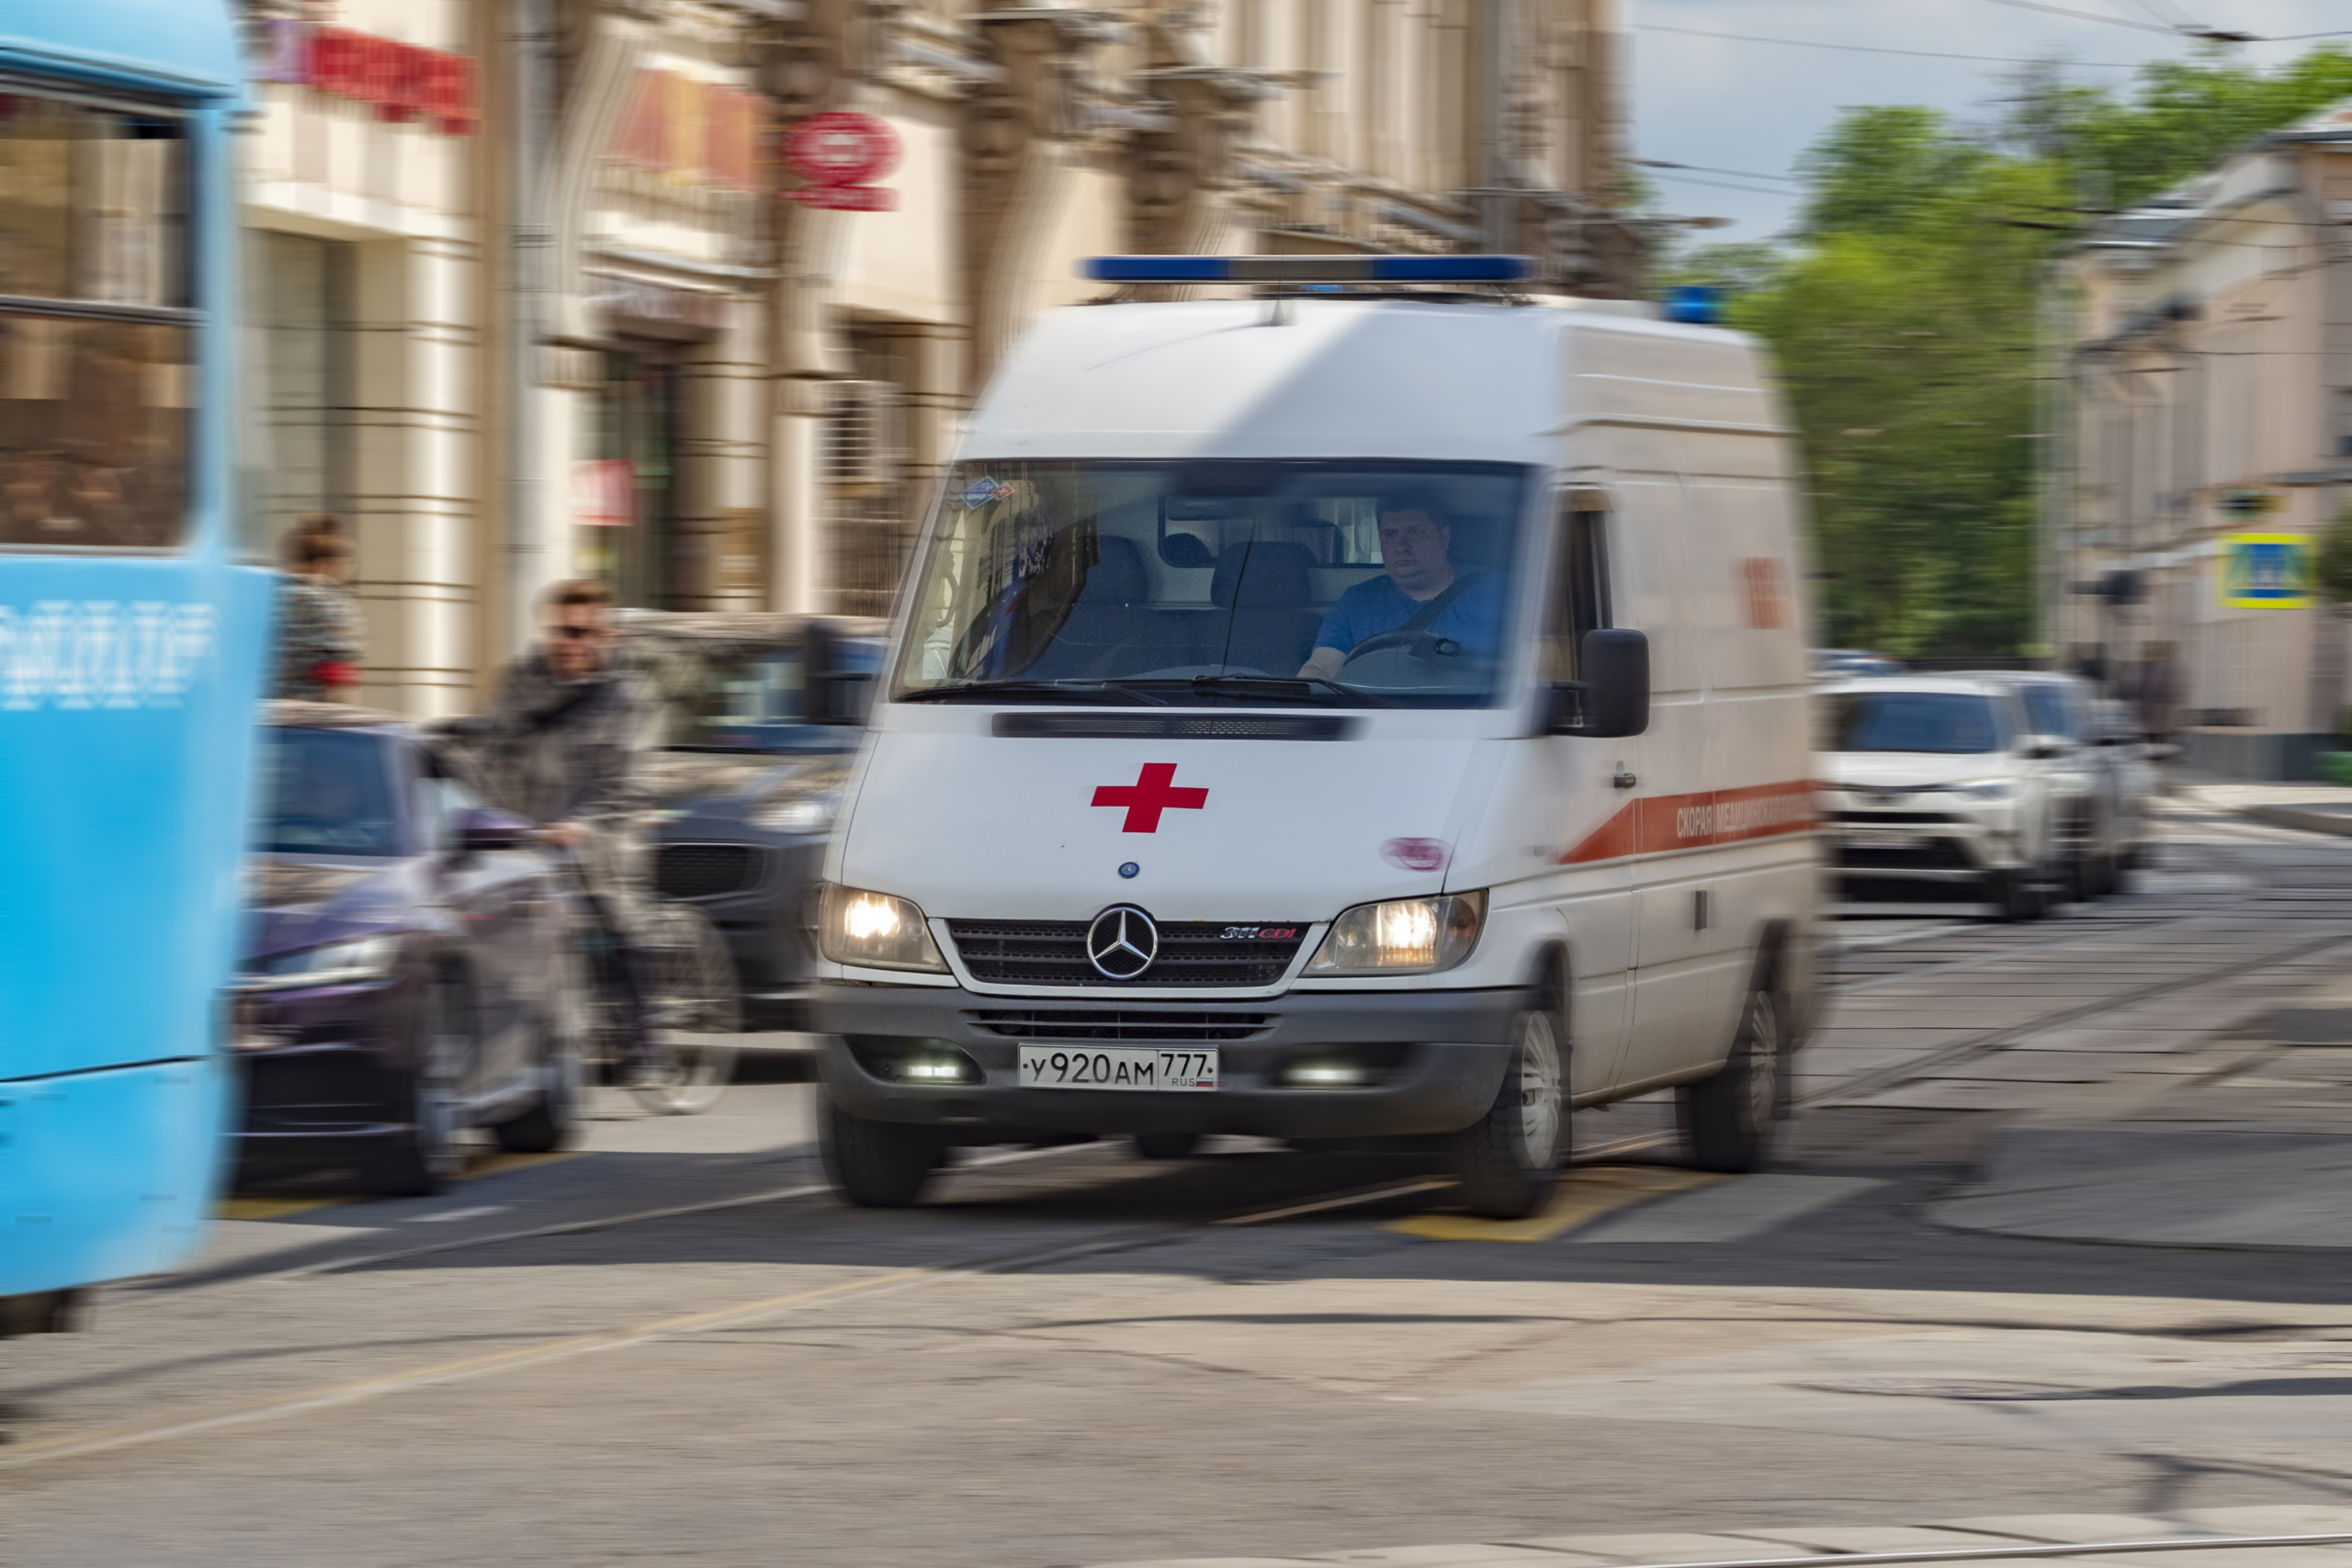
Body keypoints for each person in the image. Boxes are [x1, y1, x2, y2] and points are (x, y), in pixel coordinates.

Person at [479, 580, 668, 1085]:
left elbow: (630, 780)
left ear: (606, 637)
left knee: (620, 923)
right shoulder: (519, 682)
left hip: (604, 837)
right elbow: (493, 755)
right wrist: (494, 818)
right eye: (561, 631)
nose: (571, 642)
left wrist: (580, 827)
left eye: (584, 632)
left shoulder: (628, 697)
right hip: (530, 835)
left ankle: (646, 1042)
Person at [1297, 498, 1505, 681]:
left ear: (1444, 537)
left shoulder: (1499, 593)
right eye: (1390, 534)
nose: (1401, 545)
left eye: (1415, 531)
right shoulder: (1357, 600)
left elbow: (1521, 668)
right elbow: (1323, 665)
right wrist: (1308, 686)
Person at [274, 516, 365, 702]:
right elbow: (337, 676)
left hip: (260, 718)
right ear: (330, 562)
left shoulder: (266, 597)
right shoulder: (332, 603)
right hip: (311, 720)